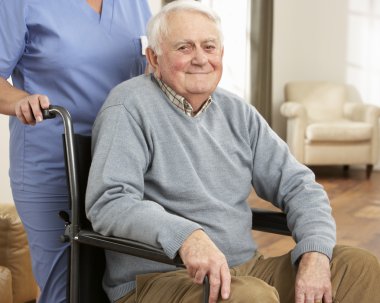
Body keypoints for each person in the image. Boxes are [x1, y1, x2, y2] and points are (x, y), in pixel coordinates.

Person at [86, 1, 380, 303]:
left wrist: (315, 251)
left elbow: (299, 186)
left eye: (209, 47)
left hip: (244, 270)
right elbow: (110, 201)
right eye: (184, 48)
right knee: (252, 297)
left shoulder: (238, 112)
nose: (200, 58)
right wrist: (187, 237)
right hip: (162, 280)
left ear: (221, 54)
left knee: (358, 267)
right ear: (154, 57)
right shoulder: (128, 106)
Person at [0, 1, 151, 302]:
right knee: (68, 290)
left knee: (124, 286)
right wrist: (20, 102)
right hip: (53, 164)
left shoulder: (133, 3)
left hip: (123, 163)